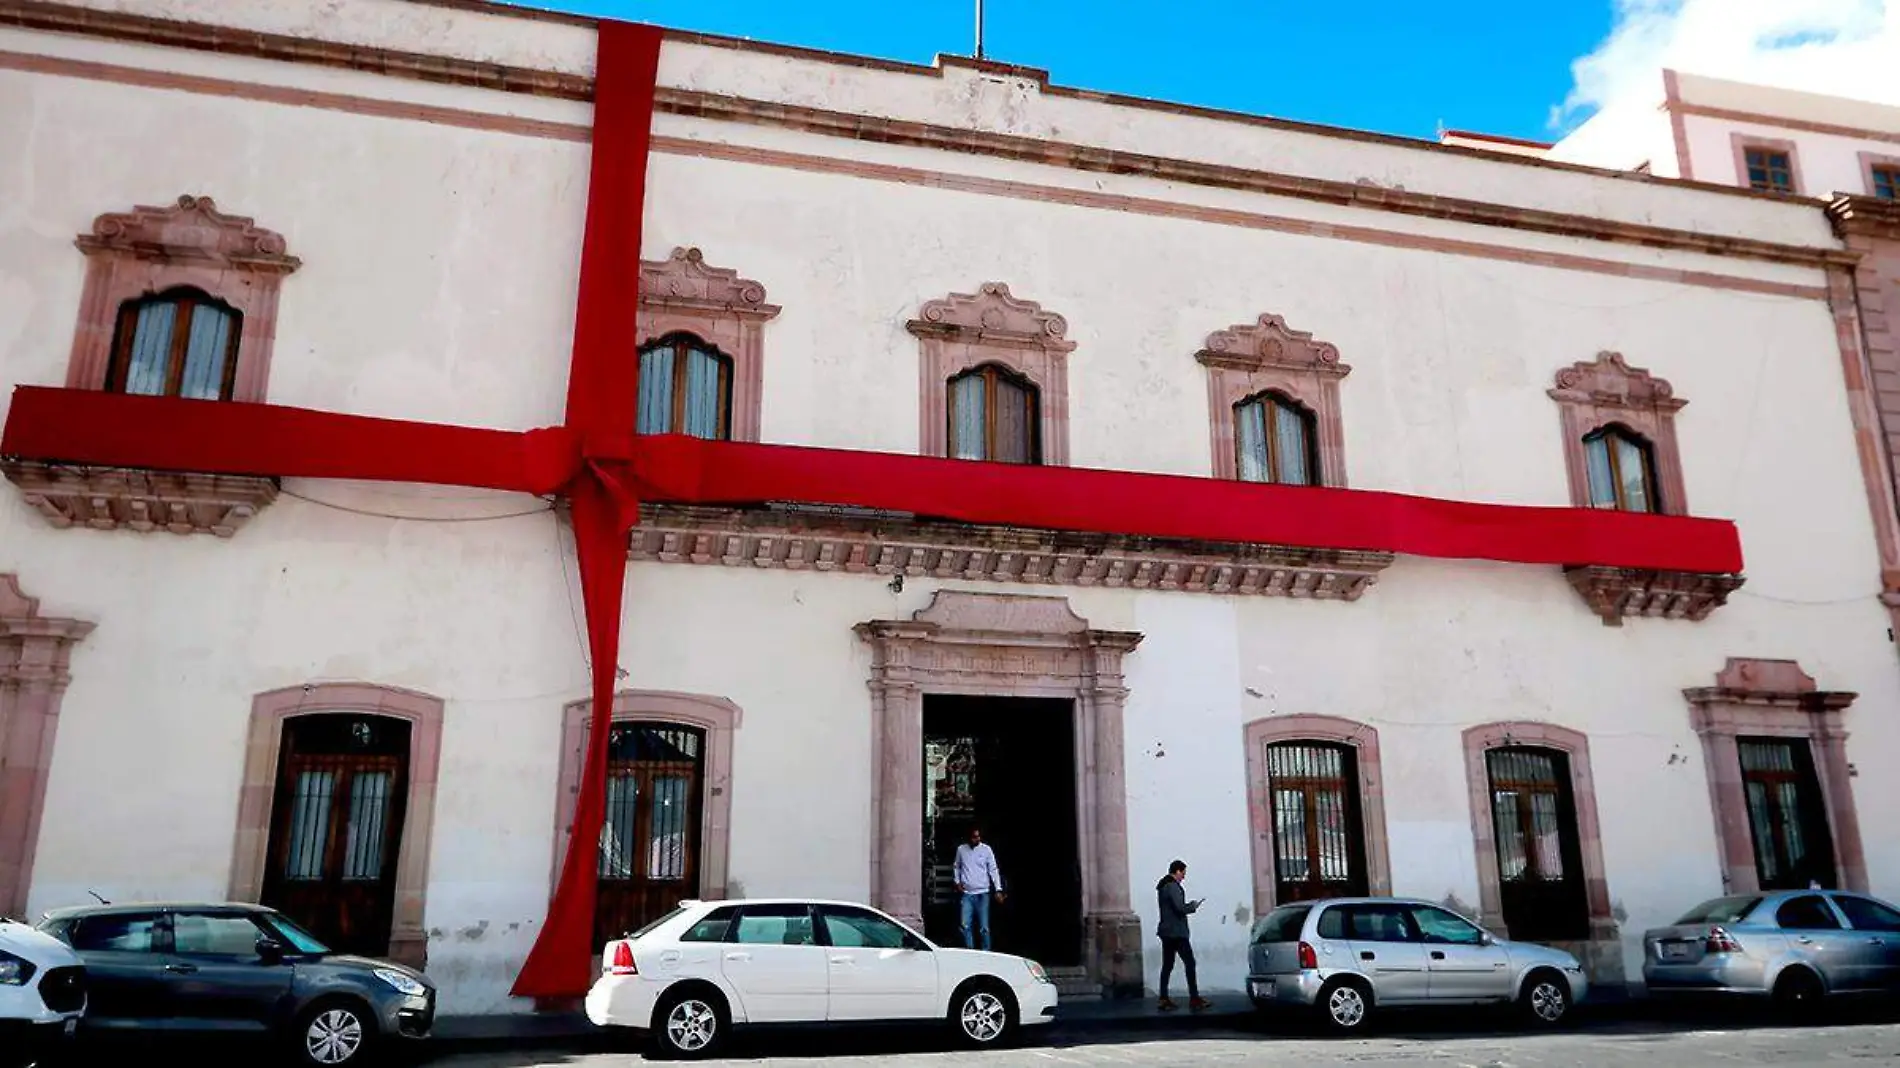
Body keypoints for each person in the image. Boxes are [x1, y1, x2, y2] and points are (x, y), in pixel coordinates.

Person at [1155, 859, 1209, 1011]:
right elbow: (1179, 908)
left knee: (1167, 965)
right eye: (1183, 873)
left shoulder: (1163, 886)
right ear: (1177, 871)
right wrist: (1193, 906)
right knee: (1190, 963)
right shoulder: (1172, 886)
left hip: (1167, 932)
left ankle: (1163, 998)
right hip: (1176, 933)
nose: (1183, 877)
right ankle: (1194, 998)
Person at [953, 825, 1005, 950]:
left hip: (983, 893)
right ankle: (970, 950)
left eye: (977, 837)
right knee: (965, 925)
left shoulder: (986, 850)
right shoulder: (961, 850)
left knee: (984, 927)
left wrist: (998, 889)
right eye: (972, 837)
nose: (974, 840)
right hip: (967, 893)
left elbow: (993, 869)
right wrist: (957, 881)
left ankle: (986, 952)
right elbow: (957, 866)